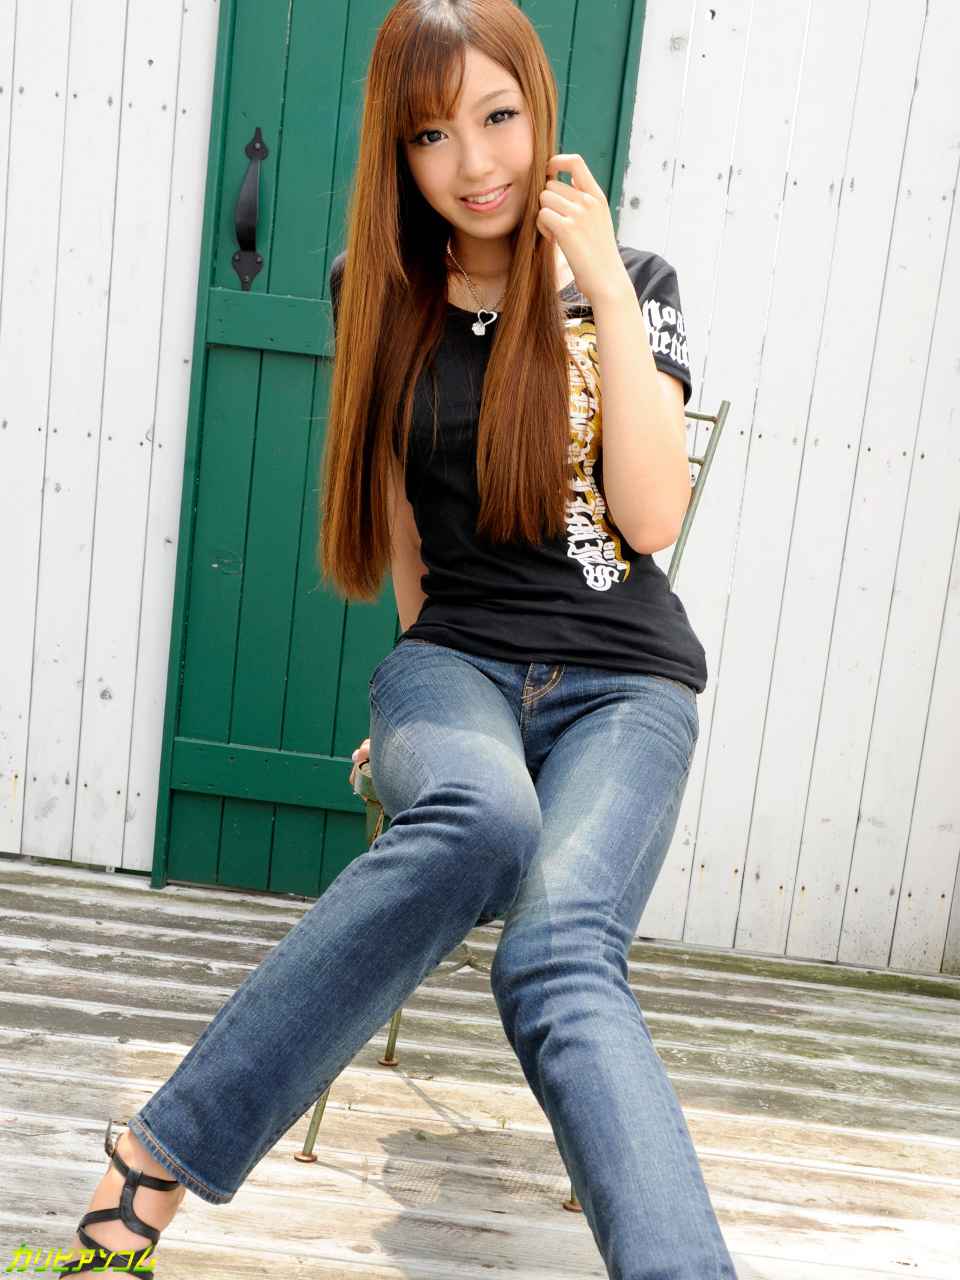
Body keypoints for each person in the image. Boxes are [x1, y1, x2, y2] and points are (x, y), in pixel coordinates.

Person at [54, 2, 737, 1277]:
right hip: (455, 665)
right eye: (433, 134)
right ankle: (153, 1161)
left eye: (500, 118)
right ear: (397, 150)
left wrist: (598, 284)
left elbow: (651, 517)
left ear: (540, 111)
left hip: (626, 684)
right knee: (479, 815)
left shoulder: (636, 284)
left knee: (558, 953)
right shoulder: (371, 291)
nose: (475, 163)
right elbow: (409, 542)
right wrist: (425, 730)